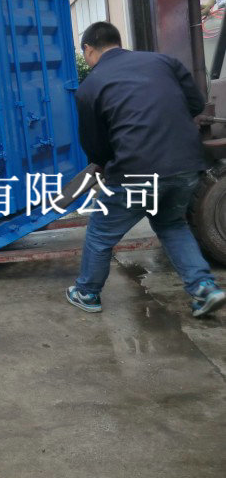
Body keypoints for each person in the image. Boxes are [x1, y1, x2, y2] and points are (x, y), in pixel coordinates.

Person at [67, 21, 226, 318]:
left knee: (101, 232)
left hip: (135, 170)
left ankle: (87, 292)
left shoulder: (90, 86)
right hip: (186, 164)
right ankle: (204, 287)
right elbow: (195, 104)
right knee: (171, 224)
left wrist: (107, 165)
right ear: (118, 42)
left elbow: (95, 144)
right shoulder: (162, 62)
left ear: (88, 49)